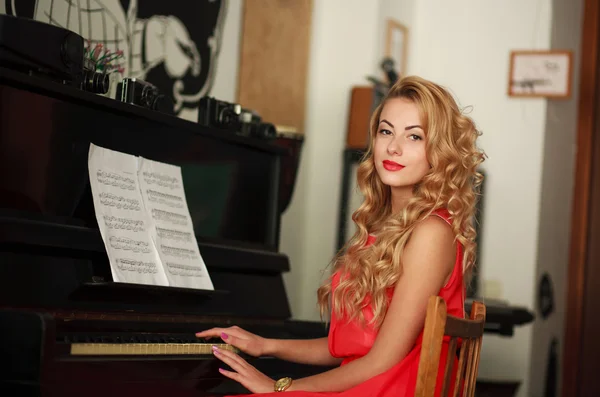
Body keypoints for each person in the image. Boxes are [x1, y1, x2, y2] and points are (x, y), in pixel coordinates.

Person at [195, 75, 485, 396]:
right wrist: (267, 345)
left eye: (414, 137)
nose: (393, 147)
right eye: (385, 131)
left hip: (392, 387)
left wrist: (279, 389)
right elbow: (352, 348)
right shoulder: (385, 227)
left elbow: (382, 360)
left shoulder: (431, 232)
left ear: (439, 151)